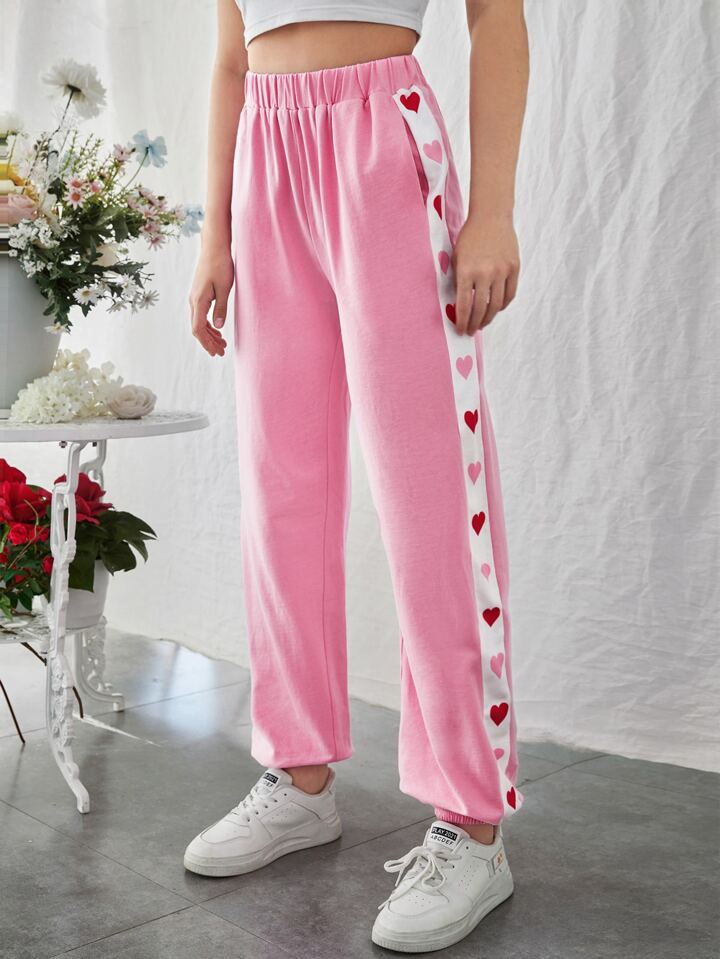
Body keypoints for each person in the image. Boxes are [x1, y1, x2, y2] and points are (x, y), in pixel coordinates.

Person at [184, 0, 529, 951]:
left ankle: (471, 822)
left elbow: (498, 18)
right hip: (266, 153)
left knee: (430, 496)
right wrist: (215, 234)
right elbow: (231, 59)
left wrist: (493, 209)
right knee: (280, 491)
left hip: (382, 139)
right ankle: (299, 775)